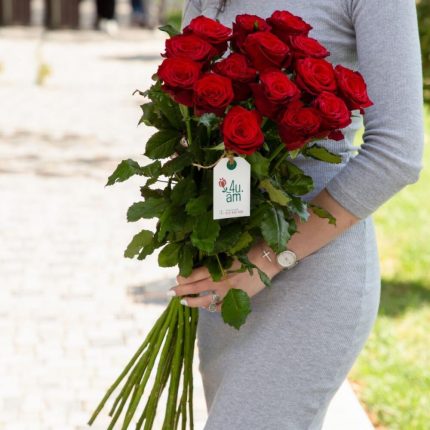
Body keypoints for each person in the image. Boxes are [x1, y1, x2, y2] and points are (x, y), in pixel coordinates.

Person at [170, 1, 425, 429]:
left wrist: (266, 260)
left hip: (312, 267)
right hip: (226, 264)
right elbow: (192, 120)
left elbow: (397, 154)